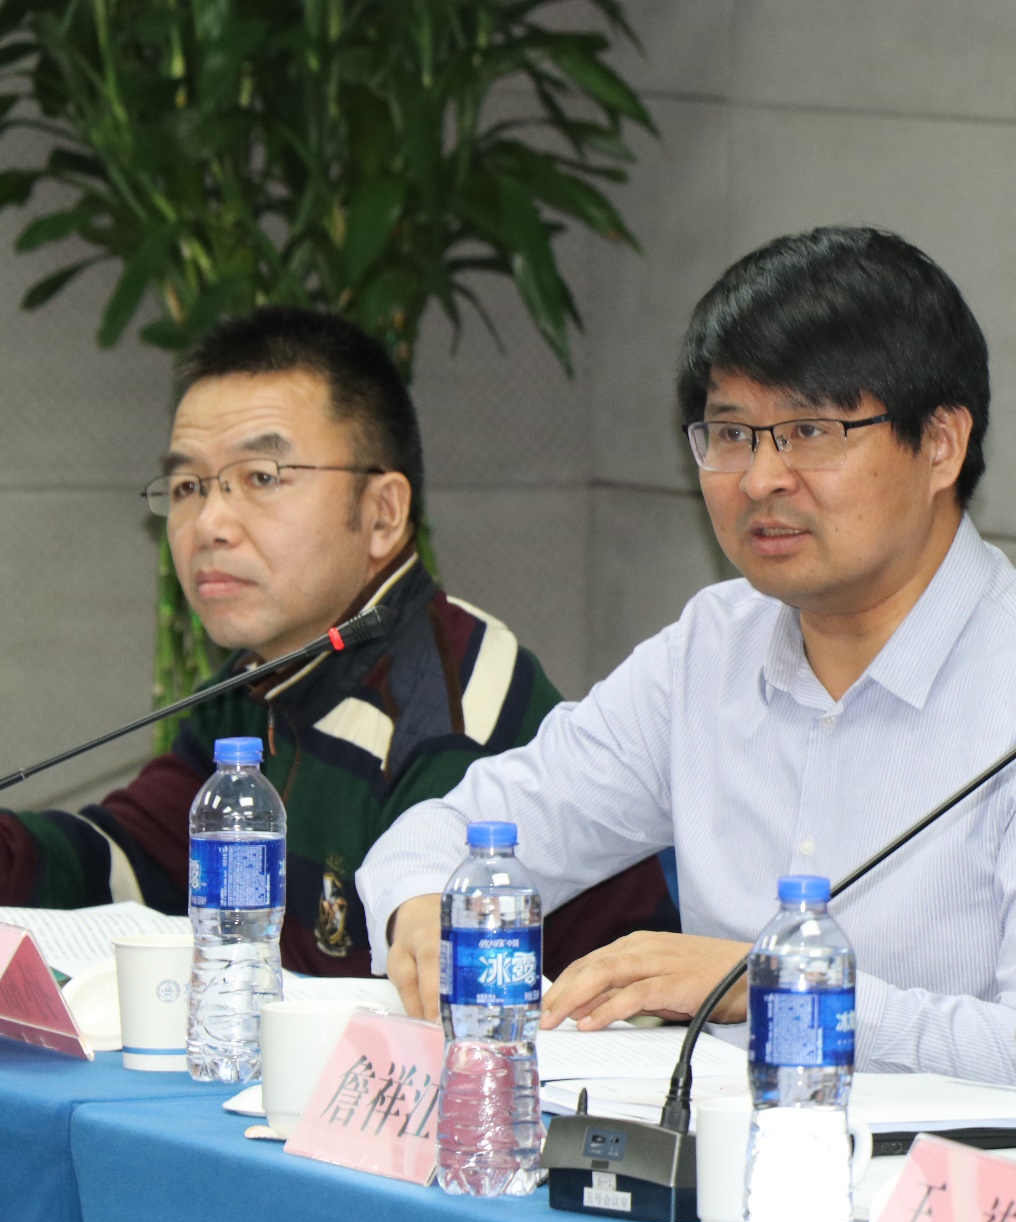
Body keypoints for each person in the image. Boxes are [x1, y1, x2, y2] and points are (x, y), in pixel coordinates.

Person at [356, 225, 1016, 1085]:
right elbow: (440, 835)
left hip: (969, 1168)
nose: (761, 478)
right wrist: (426, 907)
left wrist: (778, 987)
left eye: (809, 430)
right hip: (725, 1149)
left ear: (941, 444)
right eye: (732, 434)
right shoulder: (710, 647)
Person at [0, 307, 675, 977]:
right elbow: (132, 859)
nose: (209, 523)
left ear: (382, 514)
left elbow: (410, 993)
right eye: (188, 486)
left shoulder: (451, 711)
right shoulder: (262, 678)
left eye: (261, 478)